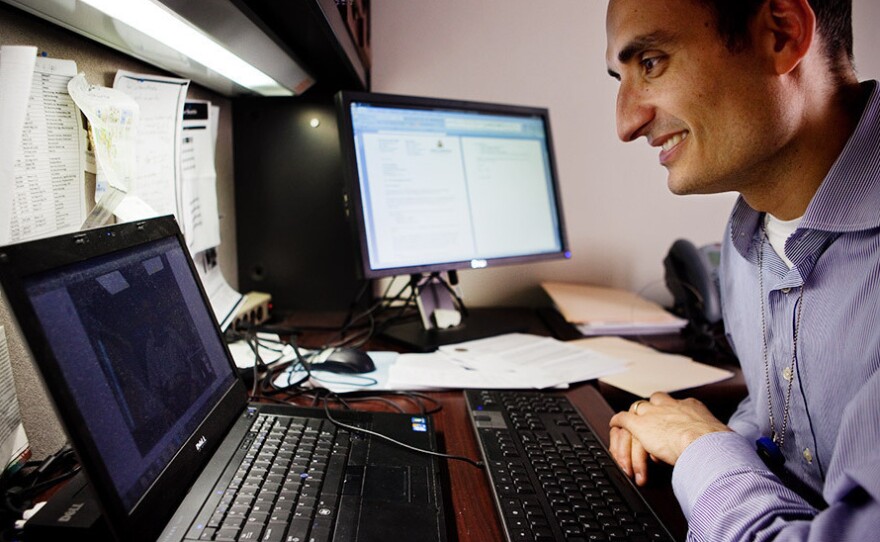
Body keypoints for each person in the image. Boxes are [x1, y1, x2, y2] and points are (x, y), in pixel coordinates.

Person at [604, 0, 880, 539]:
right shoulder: (748, 237)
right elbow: (786, 410)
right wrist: (696, 436)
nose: (625, 122)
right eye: (621, 77)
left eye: (652, 63)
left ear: (782, 34)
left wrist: (699, 449)